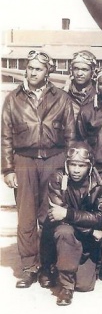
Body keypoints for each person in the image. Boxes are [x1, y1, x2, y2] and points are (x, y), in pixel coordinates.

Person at [2, 50, 75, 289]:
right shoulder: (13, 98)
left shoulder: (61, 98)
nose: (32, 72)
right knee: (26, 217)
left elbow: (70, 134)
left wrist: (67, 166)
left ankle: (48, 266)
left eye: (38, 69)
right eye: (30, 67)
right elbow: (5, 136)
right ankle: (29, 267)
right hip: (24, 160)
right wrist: (8, 169)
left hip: (54, 159)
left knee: (49, 215)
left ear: (48, 72)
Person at [46, 142, 102, 305]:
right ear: (67, 164)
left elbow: (100, 217)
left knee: (84, 286)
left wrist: (67, 214)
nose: (76, 169)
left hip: (88, 239)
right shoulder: (57, 177)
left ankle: (73, 265)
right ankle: (66, 286)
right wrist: (89, 230)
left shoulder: (101, 182)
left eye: (81, 165)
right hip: (69, 234)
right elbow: (56, 214)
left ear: (89, 166)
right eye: (72, 164)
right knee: (64, 231)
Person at [65, 50, 97, 116]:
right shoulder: (63, 94)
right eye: (76, 69)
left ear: (92, 71)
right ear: (71, 70)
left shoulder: (100, 94)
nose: (79, 73)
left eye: (84, 70)